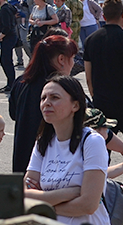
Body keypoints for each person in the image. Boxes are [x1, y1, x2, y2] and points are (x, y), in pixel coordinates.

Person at [83, 0, 123, 217]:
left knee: (101, 152)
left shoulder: (91, 39)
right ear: (122, 15)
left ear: (102, 15)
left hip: (102, 104)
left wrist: (95, 96)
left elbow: (88, 77)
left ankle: (101, 196)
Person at [24, 75, 110, 225]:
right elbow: (24, 196)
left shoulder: (92, 141)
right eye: (43, 98)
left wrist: (44, 204)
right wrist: (71, 193)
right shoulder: (42, 142)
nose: (46, 103)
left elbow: (88, 205)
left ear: (75, 106)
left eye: (54, 97)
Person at [9, 34, 78, 173]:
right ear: (61, 59)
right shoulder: (61, 87)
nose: (74, 63)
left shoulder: (21, 82)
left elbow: (13, 114)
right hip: (52, 163)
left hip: (23, 157)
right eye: (73, 58)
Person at [0, 0, 19, 93]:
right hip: (10, 37)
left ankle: (12, 84)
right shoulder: (9, 7)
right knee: (4, 60)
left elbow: (7, 25)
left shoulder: (4, 9)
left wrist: (1, 35)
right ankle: (10, 82)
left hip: (8, 37)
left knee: (6, 61)